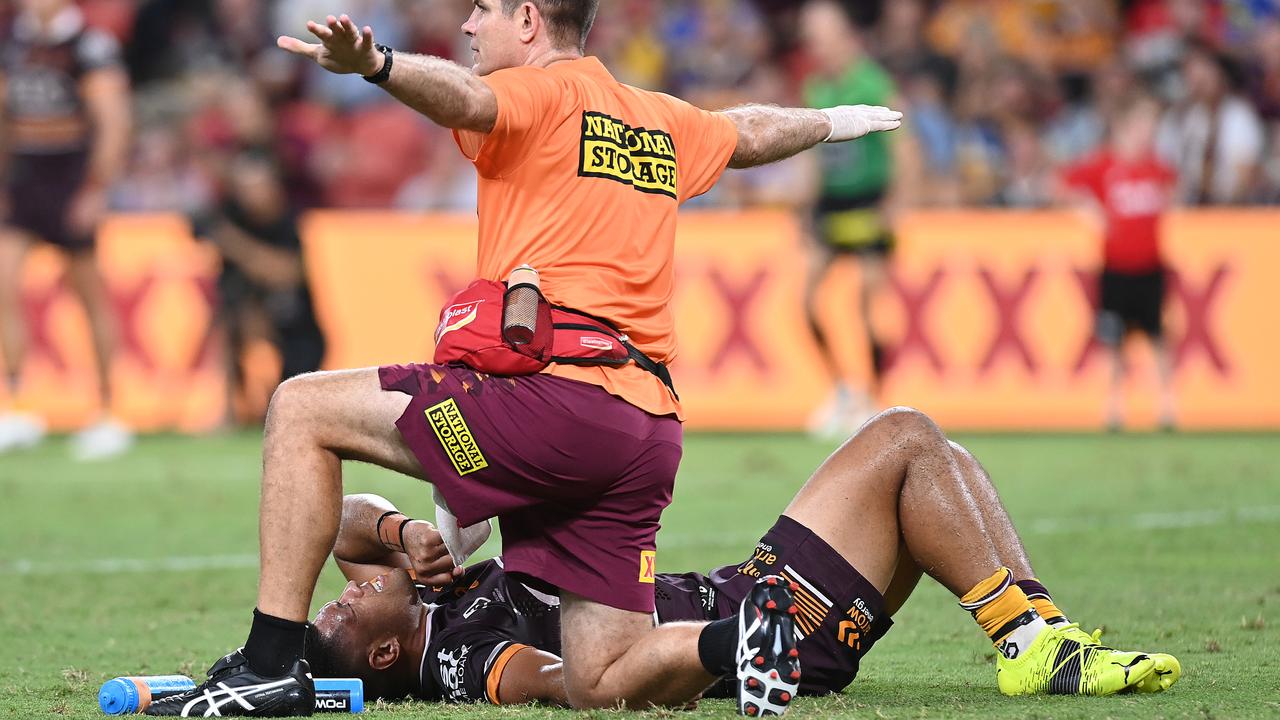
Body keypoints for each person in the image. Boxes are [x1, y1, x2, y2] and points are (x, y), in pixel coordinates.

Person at [143, 1, 903, 716]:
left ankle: (271, 661)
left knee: (301, 405)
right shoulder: (660, 118)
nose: (469, 24)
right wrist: (834, 121)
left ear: (531, 20)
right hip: (643, 431)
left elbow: (464, 100)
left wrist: (379, 65)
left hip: (552, 410)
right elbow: (752, 130)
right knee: (599, 678)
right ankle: (738, 643)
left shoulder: (535, 94)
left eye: (484, 9)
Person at [304, 407, 1182, 707]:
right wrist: (725, 651)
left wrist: (397, 535)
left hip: (744, 602)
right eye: (344, 612)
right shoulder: (464, 655)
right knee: (907, 438)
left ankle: (1041, 632)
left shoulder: (430, 593)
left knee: (939, 463)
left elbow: (344, 519)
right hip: (753, 623)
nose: (343, 594)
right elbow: (567, 681)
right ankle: (1029, 644)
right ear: (385, 653)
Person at [0, 0, 133, 460]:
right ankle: (14, 404)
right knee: (4, 286)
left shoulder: (88, 46)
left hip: (70, 182)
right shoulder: (13, 42)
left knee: (88, 296)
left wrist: (96, 188)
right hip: (23, 183)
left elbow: (113, 120)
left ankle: (108, 410)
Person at [798, 0, 902, 437]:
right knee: (808, 302)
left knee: (866, 302)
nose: (817, 44)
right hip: (833, 204)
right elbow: (811, 158)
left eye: (823, 34)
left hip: (870, 199)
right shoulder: (816, 89)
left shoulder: (871, 81)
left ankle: (873, 395)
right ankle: (843, 389)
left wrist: (898, 203)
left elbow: (904, 142)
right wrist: (803, 210)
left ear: (843, 36)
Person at [1062, 95, 1177, 431]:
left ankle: (1167, 407)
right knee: (1113, 341)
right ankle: (1113, 409)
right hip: (1115, 269)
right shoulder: (1105, 166)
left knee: (1157, 337)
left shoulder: (1158, 168)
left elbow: (1175, 192)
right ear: (1125, 127)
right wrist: (1091, 212)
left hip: (1151, 267)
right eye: (1143, 125)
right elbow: (1066, 183)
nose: (1148, 133)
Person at [195, 150, 326, 424]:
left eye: (257, 187)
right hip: (247, 314)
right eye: (245, 188)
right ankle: (228, 410)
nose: (252, 196)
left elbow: (285, 273)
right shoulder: (231, 216)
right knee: (227, 322)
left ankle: (262, 404)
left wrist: (233, 244)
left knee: (289, 406)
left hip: (297, 332)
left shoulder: (286, 223)